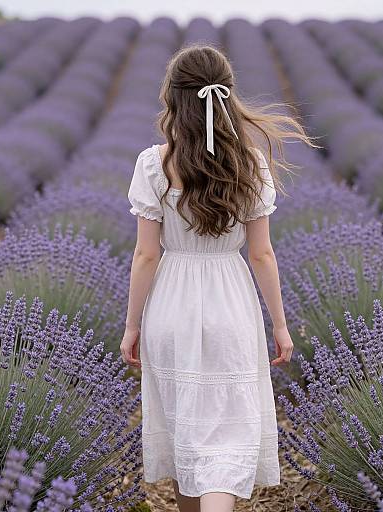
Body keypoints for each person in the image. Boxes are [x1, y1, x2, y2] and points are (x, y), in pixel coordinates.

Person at [121, 43, 315, 512]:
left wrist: (132, 326)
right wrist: (281, 326)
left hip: (171, 304)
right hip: (231, 301)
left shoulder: (154, 164)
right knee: (224, 438)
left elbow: (146, 256)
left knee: (188, 431)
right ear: (227, 96)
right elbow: (262, 254)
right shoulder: (249, 163)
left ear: (172, 98)